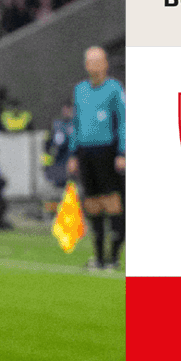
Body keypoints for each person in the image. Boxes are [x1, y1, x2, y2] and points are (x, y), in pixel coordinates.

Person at [66, 46, 125, 269]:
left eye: (98, 61)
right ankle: (99, 257)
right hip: (85, 151)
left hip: (108, 150)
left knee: (112, 202)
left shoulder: (114, 88)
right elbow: (76, 123)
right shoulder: (80, 90)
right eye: (90, 61)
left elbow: (123, 121)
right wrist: (73, 153)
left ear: (106, 63)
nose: (94, 66)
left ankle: (114, 256)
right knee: (91, 203)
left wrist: (122, 152)